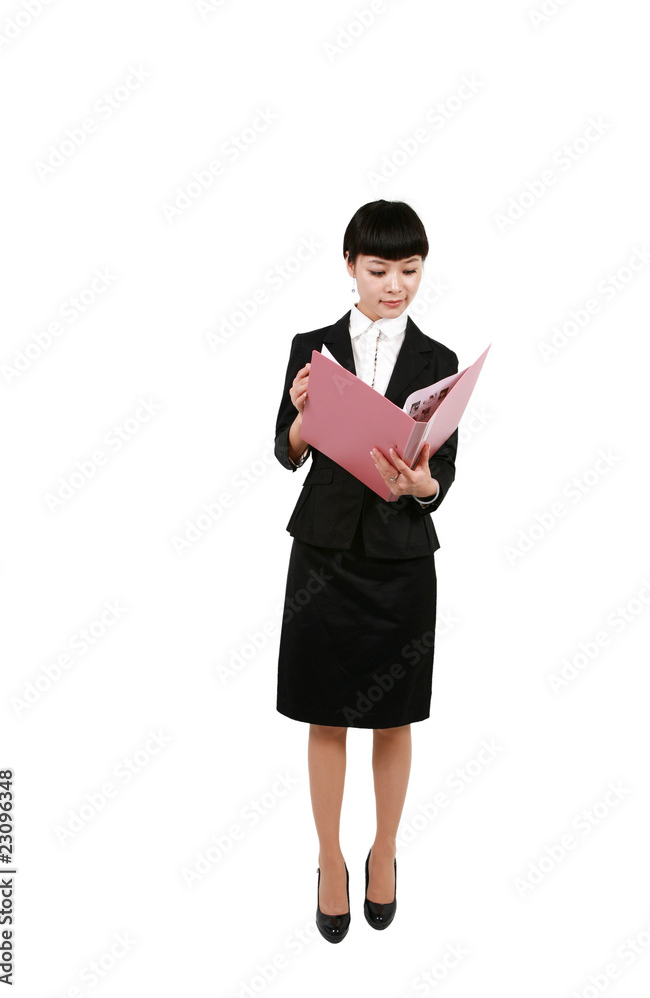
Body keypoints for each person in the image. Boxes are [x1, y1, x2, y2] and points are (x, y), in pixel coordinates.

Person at [273, 199, 459, 942]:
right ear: (349, 264)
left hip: (401, 560)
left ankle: (383, 851)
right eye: (379, 269)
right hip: (324, 552)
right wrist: (296, 417)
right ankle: (329, 859)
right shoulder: (311, 345)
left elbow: (442, 467)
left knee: (394, 715)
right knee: (324, 709)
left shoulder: (437, 361)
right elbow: (286, 450)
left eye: (409, 270)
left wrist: (424, 486)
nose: (395, 285)